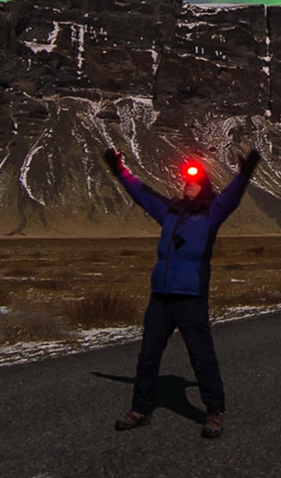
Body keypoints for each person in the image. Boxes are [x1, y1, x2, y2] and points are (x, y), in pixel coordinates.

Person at [104, 144, 261, 438]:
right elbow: (142, 194)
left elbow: (231, 198)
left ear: (203, 187)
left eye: (194, 182)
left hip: (191, 297)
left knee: (201, 355)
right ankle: (140, 409)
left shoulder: (211, 213)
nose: (188, 186)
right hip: (161, 297)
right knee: (148, 356)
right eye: (186, 182)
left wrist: (244, 174)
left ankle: (214, 411)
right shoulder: (169, 211)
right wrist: (119, 171)